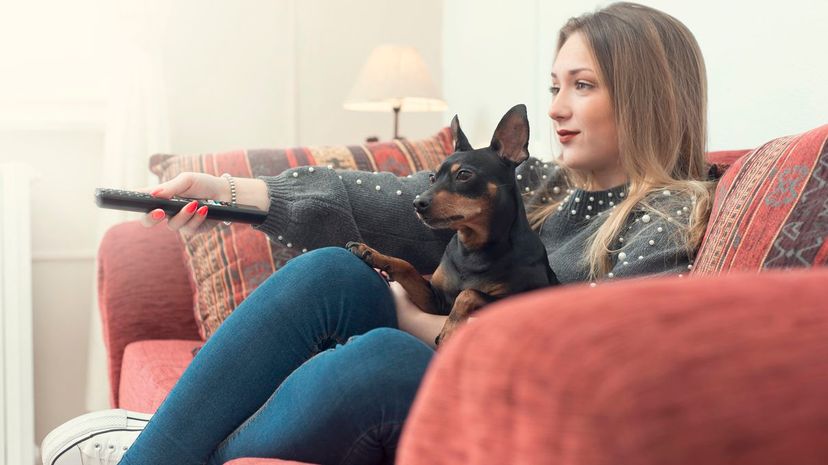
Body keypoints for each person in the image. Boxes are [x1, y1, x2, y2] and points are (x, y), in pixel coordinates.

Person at [41, 3, 715, 464]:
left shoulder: (665, 221)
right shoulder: (532, 183)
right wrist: (222, 192)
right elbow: (382, 200)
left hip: (515, 412)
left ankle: (162, 445)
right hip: (455, 362)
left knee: (386, 355)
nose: (555, 107)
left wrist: (413, 322)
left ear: (642, 97)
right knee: (336, 269)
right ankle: (163, 447)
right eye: (554, 85)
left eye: (582, 86)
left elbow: (579, 369)